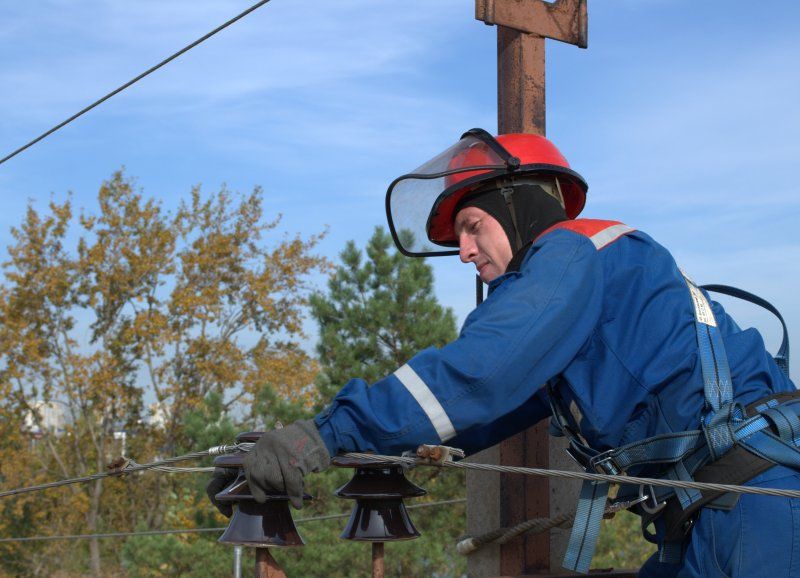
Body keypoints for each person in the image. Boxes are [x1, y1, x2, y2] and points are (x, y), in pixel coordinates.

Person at [208, 129, 799, 577]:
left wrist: (322, 434)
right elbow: (477, 415)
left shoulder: (570, 254)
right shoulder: (581, 288)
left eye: (470, 226)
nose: (464, 252)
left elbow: (478, 377)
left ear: (518, 206)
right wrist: (335, 450)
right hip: (715, 512)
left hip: (749, 506)